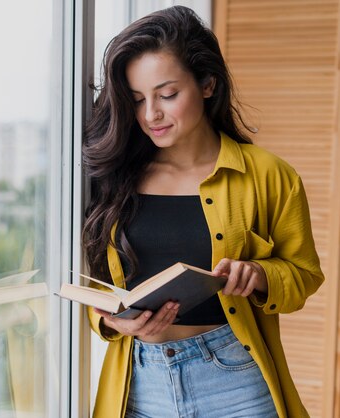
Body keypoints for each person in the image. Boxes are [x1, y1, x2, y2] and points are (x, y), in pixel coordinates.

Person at [82, 6, 324, 418]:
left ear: (207, 84)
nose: (150, 115)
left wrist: (260, 275)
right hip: (140, 383)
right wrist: (112, 322)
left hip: (235, 380)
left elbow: (303, 275)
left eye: (167, 95)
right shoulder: (110, 177)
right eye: (138, 100)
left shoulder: (268, 174)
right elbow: (96, 285)